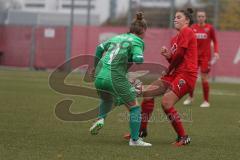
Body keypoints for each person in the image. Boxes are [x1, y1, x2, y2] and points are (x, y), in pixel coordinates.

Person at [125, 8, 197, 146]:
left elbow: (181, 56)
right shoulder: (175, 38)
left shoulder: (187, 31)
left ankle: (184, 137)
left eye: (179, 17)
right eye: (174, 17)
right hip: (175, 73)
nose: (175, 19)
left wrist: (168, 69)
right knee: (147, 94)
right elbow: (177, 59)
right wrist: (169, 57)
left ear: (187, 20)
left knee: (166, 102)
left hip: (187, 75)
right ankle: (141, 131)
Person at [89, 12, 152, 147]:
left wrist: (94, 68)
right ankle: (134, 140)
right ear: (143, 31)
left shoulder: (118, 37)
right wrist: (139, 58)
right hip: (115, 77)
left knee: (107, 99)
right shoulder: (138, 41)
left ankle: (100, 119)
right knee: (134, 107)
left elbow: (99, 48)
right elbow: (138, 58)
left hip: (100, 76)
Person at [183, 10, 220, 107]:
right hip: (193, 57)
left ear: (205, 17)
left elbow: (215, 41)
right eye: (199, 16)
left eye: (202, 16)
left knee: (204, 79)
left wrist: (216, 52)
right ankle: (190, 97)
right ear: (196, 17)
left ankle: (206, 101)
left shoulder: (209, 28)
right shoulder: (192, 28)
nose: (201, 18)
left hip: (205, 58)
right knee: (191, 78)